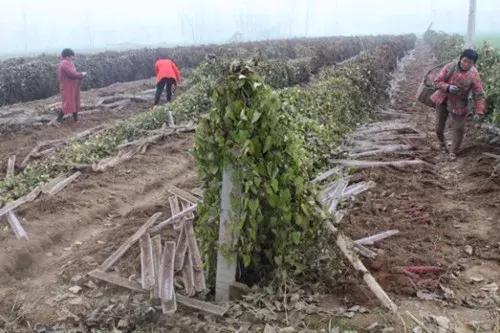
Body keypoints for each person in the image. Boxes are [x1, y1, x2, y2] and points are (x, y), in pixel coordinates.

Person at [431, 49, 486, 160]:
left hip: (459, 103)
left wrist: (479, 110)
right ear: (460, 58)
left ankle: (453, 151)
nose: (466, 64)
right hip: (443, 99)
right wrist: (447, 87)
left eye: (469, 62)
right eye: (464, 60)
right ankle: (442, 144)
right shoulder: (450, 67)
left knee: (459, 128)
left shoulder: (474, 75)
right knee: (438, 127)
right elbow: (436, 81)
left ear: (473, 63)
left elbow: (479, 94)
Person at [55, 48, 87, 127]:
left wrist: (79, 75)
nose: (73, 58)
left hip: (72, 86)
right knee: (68, 103)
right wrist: (81, 75)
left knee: (74, 102)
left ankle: (75, 120)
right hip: (67, 87)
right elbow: (72, 74)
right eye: (72, 56)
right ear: (67, 56)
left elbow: (73, 73)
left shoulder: (68, 63)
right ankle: (58, 120)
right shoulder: (65, 63)